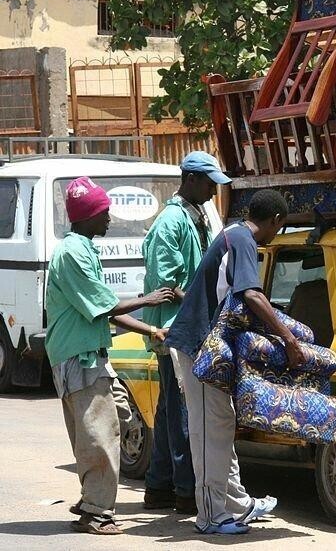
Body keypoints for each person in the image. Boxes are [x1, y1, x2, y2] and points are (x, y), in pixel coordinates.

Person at [165, 189, 304, 535]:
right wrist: (288, 339)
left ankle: (238, 505)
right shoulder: (243, 240)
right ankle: (211, 516)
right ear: (275, 222)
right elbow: (251, 294)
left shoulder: (233, 234)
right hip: (198, 346)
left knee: (221, 423)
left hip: (209, 346)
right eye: (279, 228)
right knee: (208, 430)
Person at [46, 177, 174, 535]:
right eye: (104, 213)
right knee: (98, 434)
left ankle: (92, 497)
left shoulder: (83, 248)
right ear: (87, 216)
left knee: (115, 418)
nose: (110, 219)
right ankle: (96, 510)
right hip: (78, 355)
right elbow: (104, 306)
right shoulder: (72, 253)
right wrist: (150, 300)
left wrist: (150, 330)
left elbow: (104, 306)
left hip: (91, 353)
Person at [142, 151, 231, 515]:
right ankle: (184, 491)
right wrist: (203, 300)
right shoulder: (171, 222)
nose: (213, 191)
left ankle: (158, 486)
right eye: (209, 183)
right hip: (174, 329)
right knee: (182, 412)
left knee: (169, 411)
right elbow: (167, 284)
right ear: (191, 179)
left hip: (186, 326)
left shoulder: (195, 217)